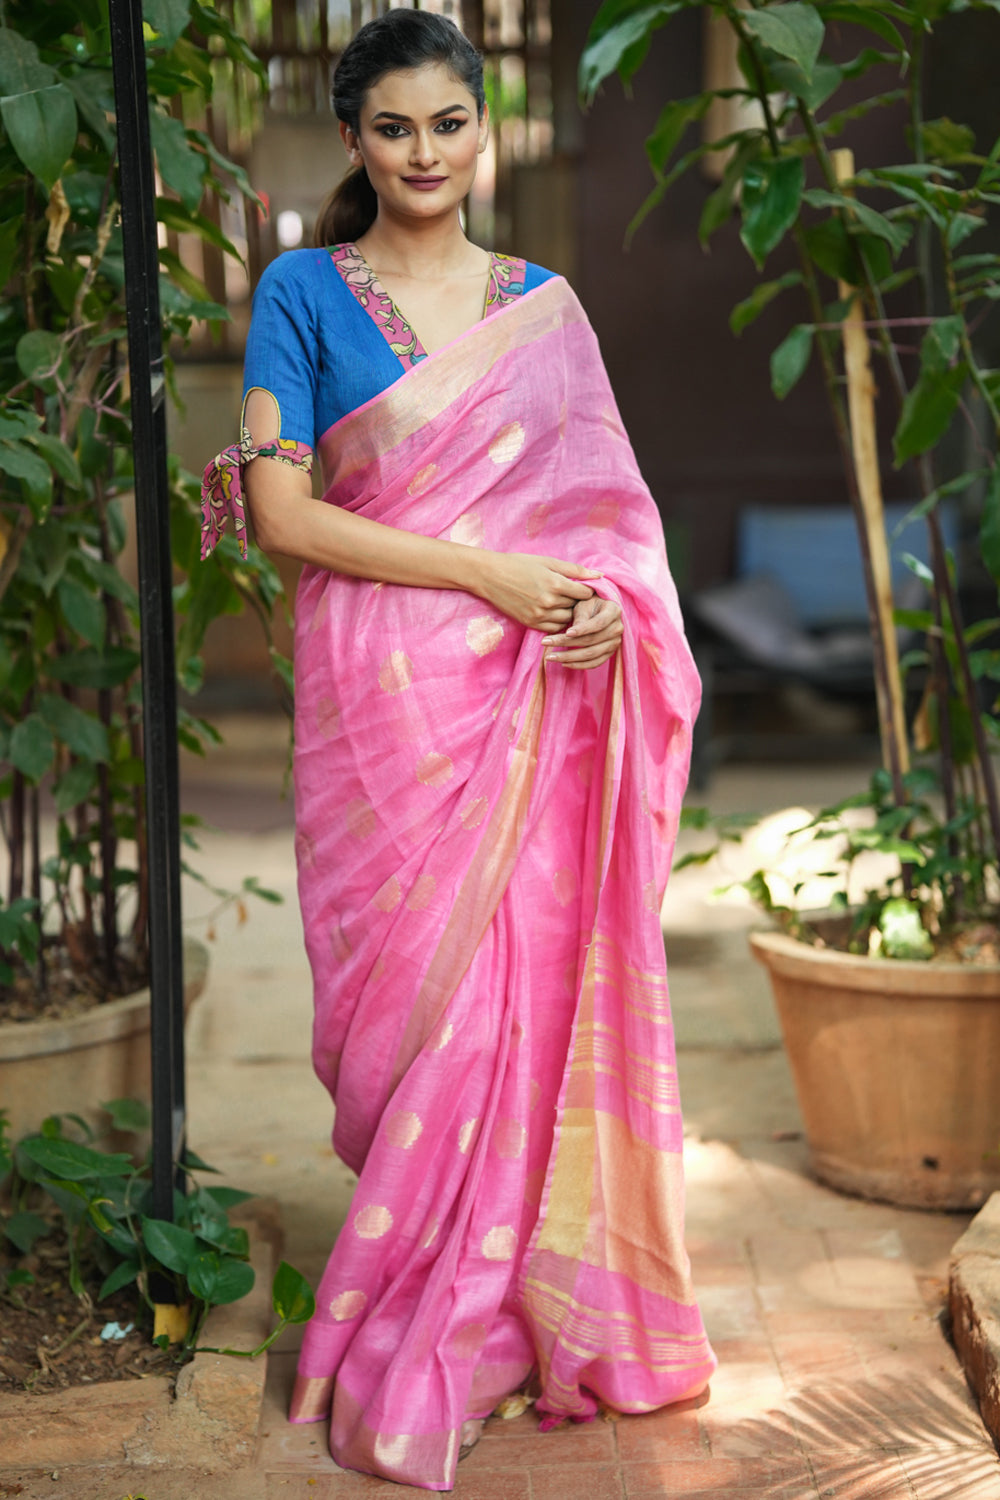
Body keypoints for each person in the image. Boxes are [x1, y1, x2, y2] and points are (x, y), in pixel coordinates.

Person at [201, 9, 715, 1491]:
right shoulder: (303, 290)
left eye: (448, 124)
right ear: (355, 141)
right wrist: (490, 576)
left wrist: (602, 614)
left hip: (534, 704)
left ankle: (500, 1297)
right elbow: (287, 518)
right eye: (392, 128)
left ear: (482, 130)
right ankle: (426, 1279)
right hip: (387, 694)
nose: (424, 154)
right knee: (420, 1014)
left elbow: (612, 519)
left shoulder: (542, 302)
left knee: (520, 1001)